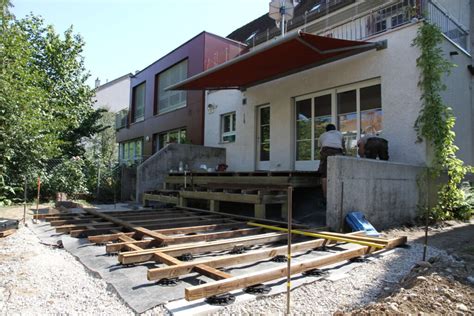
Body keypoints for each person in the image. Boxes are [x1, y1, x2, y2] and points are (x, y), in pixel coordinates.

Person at [317, 124, 345, 200]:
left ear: (326, 130)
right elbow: (343, 146)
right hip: (338, 152)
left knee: (324, 175)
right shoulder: (339, 134)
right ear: (335, 129)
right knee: (338, 174)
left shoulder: (322, 135)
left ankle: (325, 197)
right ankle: (338, 195)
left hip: (326, 151)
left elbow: (320, 148)